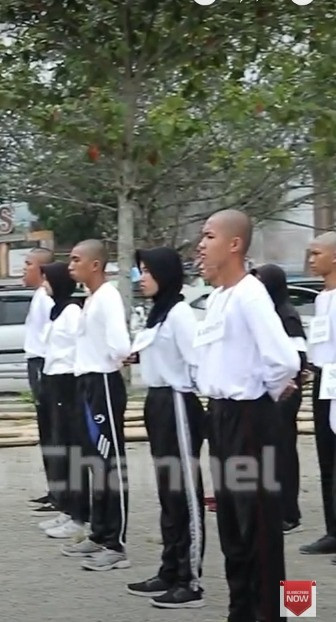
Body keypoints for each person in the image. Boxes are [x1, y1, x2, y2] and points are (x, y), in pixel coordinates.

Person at [193, 209, 298, 622]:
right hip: (221, 416)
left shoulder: (252, 293)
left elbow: (285, 359)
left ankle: (284, 613)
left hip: (250, 418)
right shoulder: (219, 297)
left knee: (263, 530)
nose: (201, 244)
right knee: (234, 528)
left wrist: (262, 399)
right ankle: (242, 610)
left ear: (234, 244)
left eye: (209, 235)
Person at [124, 247, 207, 609]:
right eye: (139, 271)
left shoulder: (179, 313)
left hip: (177, 402)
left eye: (147, 271)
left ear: (166, 273)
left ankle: (190, 581)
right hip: (157, 402)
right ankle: (170, 569)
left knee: (183, 493)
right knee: (166, 493)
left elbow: (198, 362)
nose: (141, 277)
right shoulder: (158, 314)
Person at [60, 239, 132, 571]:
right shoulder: (91, 299)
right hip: (87, 383)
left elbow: (120, 344)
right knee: (94, 461)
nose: (70, 265)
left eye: (76, 259)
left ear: (95, 265)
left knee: (109, 462)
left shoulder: (109, 297)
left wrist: (119, 357)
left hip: (103, 382)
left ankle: (115, 543)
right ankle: (100, 533)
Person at [33, 262, 87, 540]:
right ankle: (67, 508)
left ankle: (80, 514)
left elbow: (79, 349)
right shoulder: (58, 312)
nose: (44, 285)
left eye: (48, 280)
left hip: (68, 383)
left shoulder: (73, 312)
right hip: (53, 381)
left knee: (70, 449)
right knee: (58, 447)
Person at [254, 263, 307, 535]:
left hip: (286, 394)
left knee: (284, 451)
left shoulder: (287, 315)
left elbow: (298, 358)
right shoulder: (269, 314)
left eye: (261, 280)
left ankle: (289, 512)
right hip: (270, 393)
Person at [302, 231, 336, 557]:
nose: (311, 260)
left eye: (316, 254)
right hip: (324, 379)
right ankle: (332, 529)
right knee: (326, 455)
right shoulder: (321, 298)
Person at [20, 247, 56, 512]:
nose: (24, 268)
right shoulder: (38, 296)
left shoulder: (46, 298)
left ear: (42, 269)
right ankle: (53, 488)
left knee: (52, 429)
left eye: (28, 264)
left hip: (43, 363)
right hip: (36, 363)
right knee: (45, 430)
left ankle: (60, 491)